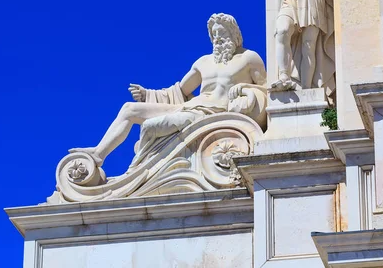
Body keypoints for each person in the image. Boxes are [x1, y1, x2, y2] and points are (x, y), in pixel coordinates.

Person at [69, 13, 267, 168]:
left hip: (211, 115)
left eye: (222, 32)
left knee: (150, 127)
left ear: (233, 33)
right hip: (191, 108)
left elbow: (266, 91)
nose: (217, 38)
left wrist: (244, 88)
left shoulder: (248, 58)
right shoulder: (203, 62)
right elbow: (180, 90)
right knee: (129, 108)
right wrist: (147, 95)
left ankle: (138, 172)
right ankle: (98, 154)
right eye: (214, 34)